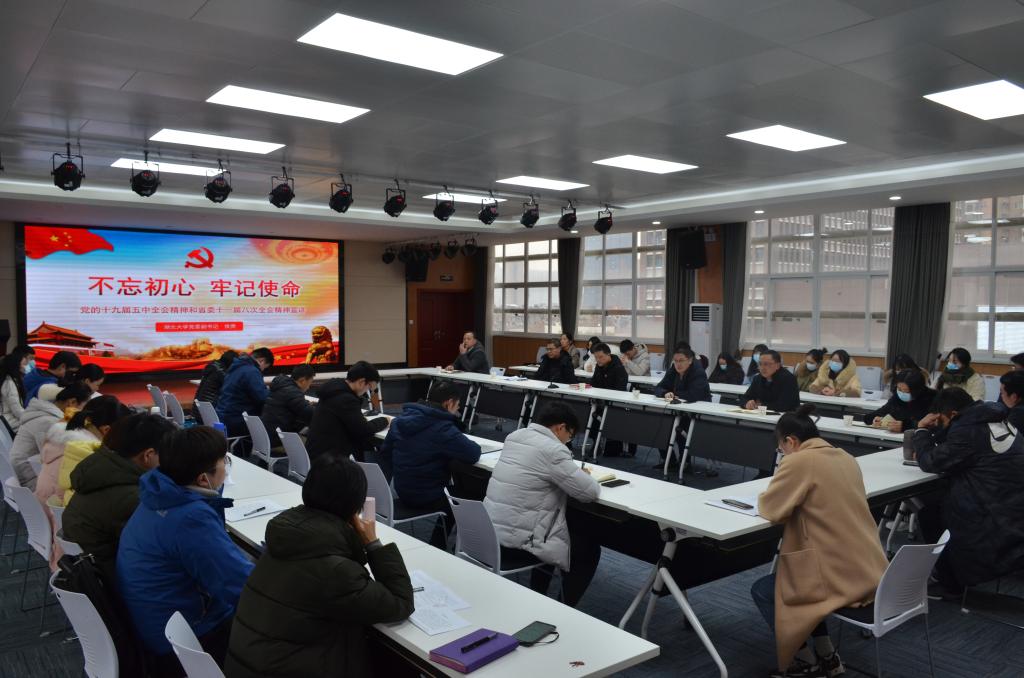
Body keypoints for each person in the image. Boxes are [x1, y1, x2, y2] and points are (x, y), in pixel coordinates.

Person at [225, 455, 414, 678]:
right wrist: (372, 544)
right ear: (355, 508)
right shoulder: (335, 571)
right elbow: (400, 603)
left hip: (247, 665)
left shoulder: (288, 537)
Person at [751, 405, 887, 678]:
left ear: (791, 441)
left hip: (840, 577)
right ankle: (827, 657)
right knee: (799, 579)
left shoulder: (800, 461)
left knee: (768, 589)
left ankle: (805, 661)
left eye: (781, 449)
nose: (782, 454)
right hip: (871, 570)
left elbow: (772, 508)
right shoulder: (846, 457)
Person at [117, 426, 254, 676]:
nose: (226, 468)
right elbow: (240, 584)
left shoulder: (158, 495)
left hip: (157, 620)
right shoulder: (190, 519)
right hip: (188, 637)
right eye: (224, 462)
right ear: (202, 479)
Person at [910, 387, 1024, 598]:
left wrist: (922, 431)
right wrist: (941, 430)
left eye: (942, 419)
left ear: (953, 414)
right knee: (939, 500)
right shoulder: (994, 420)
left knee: (930, 515)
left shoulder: (968, 431)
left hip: (997, 518)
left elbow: (930, 461)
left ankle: (951, 583)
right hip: (1012, 507)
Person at [484, 402, 601, 607]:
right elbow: (589, 492)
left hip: (488, 532)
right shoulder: (554, 450)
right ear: (560, 428)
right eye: (570, 436)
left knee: (552, 529)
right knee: (588, 550)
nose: (568, 441)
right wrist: (581, 475)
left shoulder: (515, 436)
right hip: (517, 543)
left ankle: (538, 593)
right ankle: (563, 609)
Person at [62, 413, 175, 570]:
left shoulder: (99, 469)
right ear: (148, 455)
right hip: (114, 575)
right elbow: (164, 545)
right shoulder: (134, 497)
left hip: (90, 567)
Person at [379, 381, 481, 548]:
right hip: (427, 496)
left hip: (402, 490)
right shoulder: (442, 428)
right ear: (449, 403)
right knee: (467, 495)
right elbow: (473, 453)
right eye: (457, 405)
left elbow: (386, 451)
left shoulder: (400, 420)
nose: (458, 410)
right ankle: (438, 545)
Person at [35, 395, 132, 508]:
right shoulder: (85, 453)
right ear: (106, 430)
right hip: (59, 514)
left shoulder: (61, 439)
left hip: (43, 508)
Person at [9, 383, 90, 489]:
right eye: (83, 408)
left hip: (23, 472)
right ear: (72, 402)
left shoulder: (46, 414)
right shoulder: (49, 422)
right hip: (28, 479)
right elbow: (50, 457)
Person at [305, 361, 389, 462]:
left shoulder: (334, 390)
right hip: (328, 461)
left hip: (317, 453)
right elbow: (364, 430)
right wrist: (385, 420)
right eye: (369, 388)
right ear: (361, 382)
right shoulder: (346, 399)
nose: (368, 391)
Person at [216, 347, 274, 438]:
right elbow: (262, 398)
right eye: (264, 368)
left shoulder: (235, 367)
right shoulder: (252, 371)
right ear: (262, 361)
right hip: (236, 420)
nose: (262, 371)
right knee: (272, 426)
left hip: (222, 416)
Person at [260, 364, 316, 446]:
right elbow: (310, 414)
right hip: (279, 440)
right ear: (302, 380)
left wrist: (306, 404)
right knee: (315, 445)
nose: (308, 387)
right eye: (309, 383)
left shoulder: (282, 386)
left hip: (268, 435)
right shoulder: (292, 392)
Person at [862, 369, 935, 433]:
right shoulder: (897, 397)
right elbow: (878, 412)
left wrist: (905, 426)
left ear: (917, 390)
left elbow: (933, 424)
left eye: (906, 391)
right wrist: (875, 419)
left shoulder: (931, 398)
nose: (902, 393)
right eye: (899, 389)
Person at [0, 347, 30, 433]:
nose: (25, 367)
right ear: (16, 366)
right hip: (8, 422)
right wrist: (31, 418)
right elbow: (17, 410)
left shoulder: (9, 380)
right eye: (23, 364)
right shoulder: (10, 383)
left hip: (7, 420)